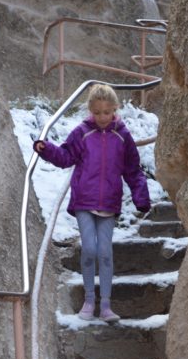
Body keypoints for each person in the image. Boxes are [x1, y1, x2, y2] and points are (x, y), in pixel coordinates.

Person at [33, 83, 151, 322]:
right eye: (97, 113)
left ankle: (106, 306)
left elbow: (132, 169)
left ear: (115, 109)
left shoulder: (122, 135)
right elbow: (66, 156)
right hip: (84, 201)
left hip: (109, 202)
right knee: (89, 249)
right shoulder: (81, 132)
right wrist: (47, 150)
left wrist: (141, 198)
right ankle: (88, 301)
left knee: (105, 253)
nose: (102, 117)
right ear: (90, 111)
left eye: (106, 112)